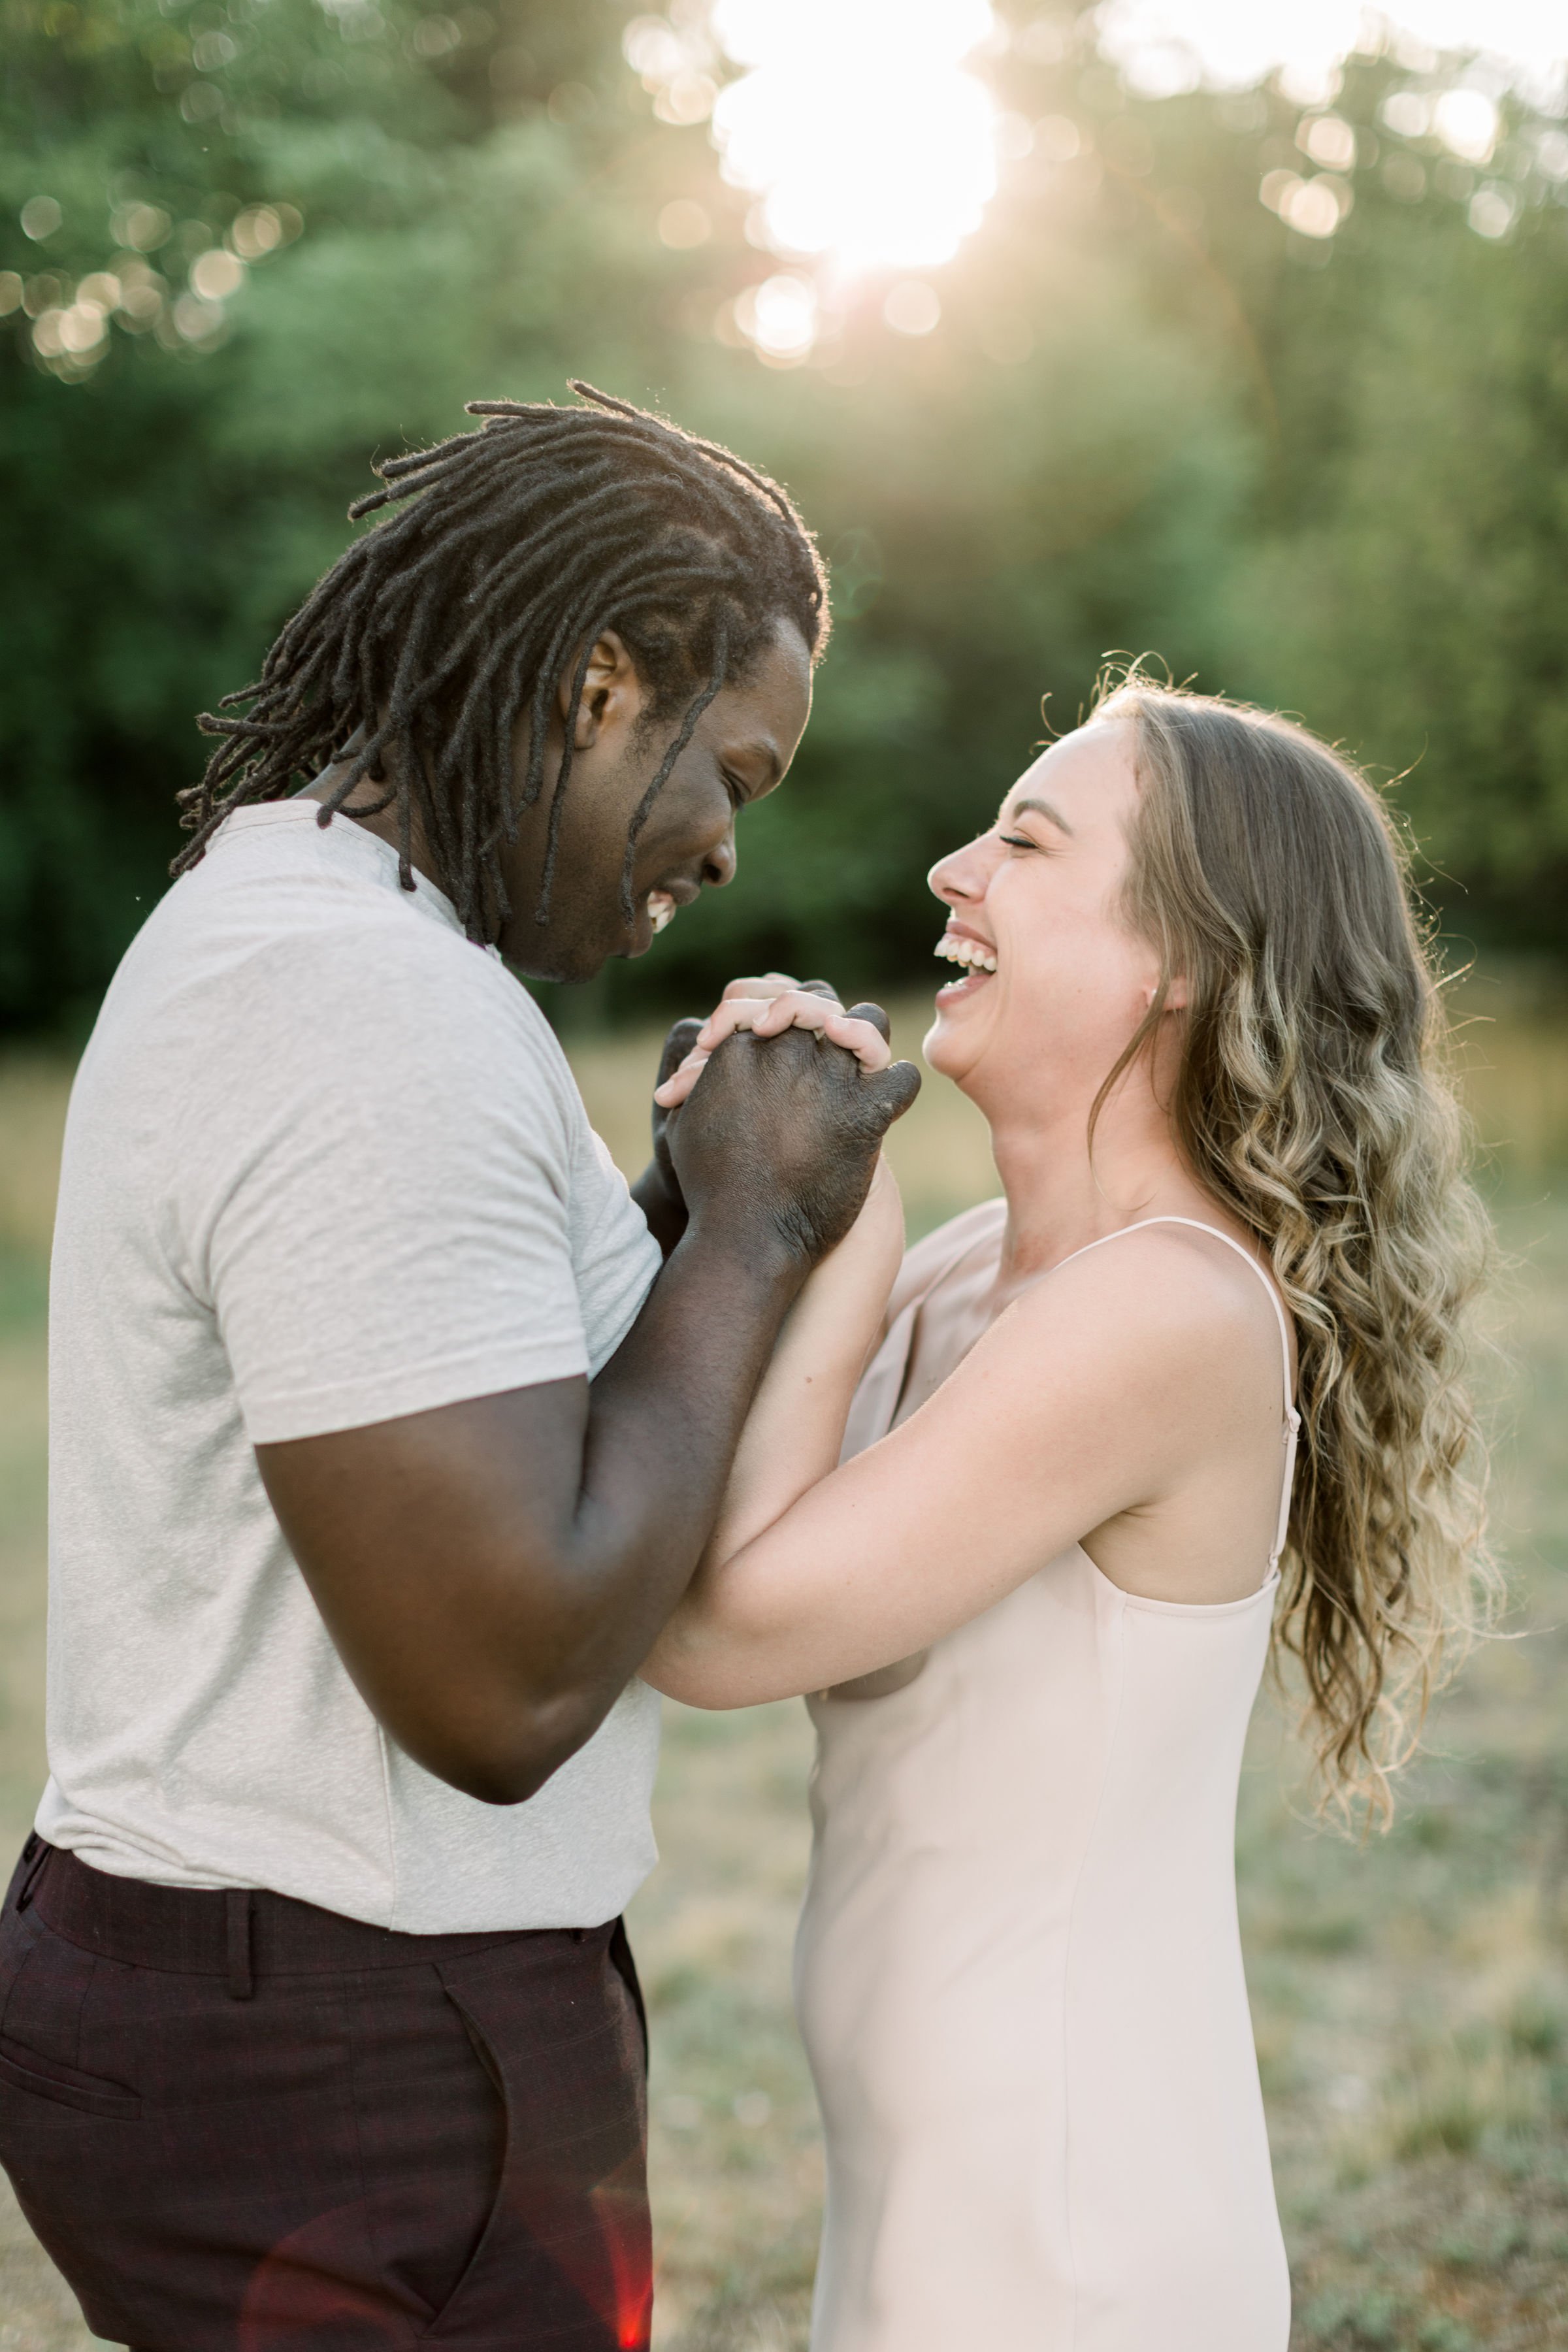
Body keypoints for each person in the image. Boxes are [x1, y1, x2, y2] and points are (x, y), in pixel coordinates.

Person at [0, 384, 918, 2352]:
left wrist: (673, 1220)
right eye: (730, 771)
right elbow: (502, 1679)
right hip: (342, 2056)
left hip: (308, 2007)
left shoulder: (352, 946)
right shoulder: (362, 1009)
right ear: (599, 684)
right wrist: (752, 1230)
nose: (730, 852)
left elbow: (492, 1410)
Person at [647, 672, 1492, 2351]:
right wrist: (756, 1204)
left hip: (1071, 2243)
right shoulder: (982, 1272)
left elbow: (718, 1625)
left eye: (1025, 843)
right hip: (923, 2214)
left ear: (1181, 958)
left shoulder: (1167, 1311)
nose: (955, 868)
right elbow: (690, 1508)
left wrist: (827, 1226)